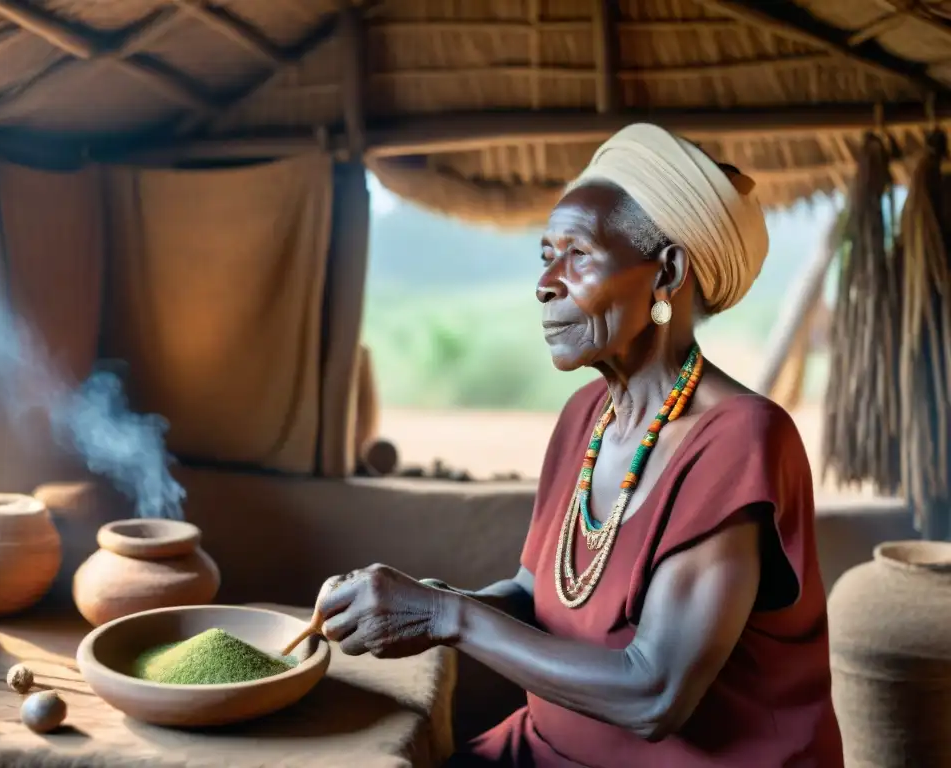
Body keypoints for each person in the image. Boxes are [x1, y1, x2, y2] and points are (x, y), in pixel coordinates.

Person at [314, 123, 844, 767]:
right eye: (545, 255)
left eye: (579, 255)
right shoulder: (586, 417)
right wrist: (417, 601)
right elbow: (530, 597)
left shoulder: (740, 440)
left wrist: (443, 617)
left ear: (667, 272)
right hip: (540, 751)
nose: (545, 283)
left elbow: (656, 694)